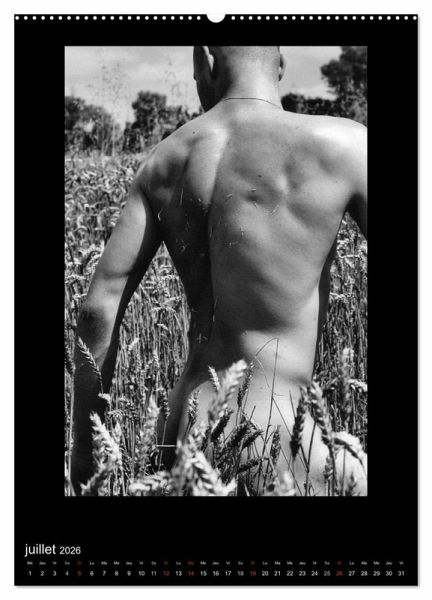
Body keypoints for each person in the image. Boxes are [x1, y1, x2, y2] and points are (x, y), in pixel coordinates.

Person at [71, 46, 367, 496]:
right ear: (281, 65)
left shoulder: (163, 161)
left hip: (180, 433)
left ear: (204, 61)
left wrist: (83, 462)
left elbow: (97, 311)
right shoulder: (343, 145)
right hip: (279, 438)